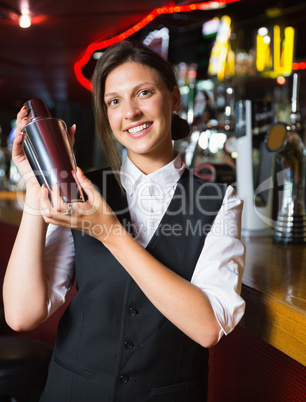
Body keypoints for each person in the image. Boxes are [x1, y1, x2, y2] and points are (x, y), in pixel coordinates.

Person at [3, 40, 245, 402]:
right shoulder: (83, 189)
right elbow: (22, 315)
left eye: (143, 93)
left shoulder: (219, 201)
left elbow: (208, 326)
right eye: (114, 101)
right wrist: (39, 186)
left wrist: (110, 232)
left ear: (174, 99)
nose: (130, 112)